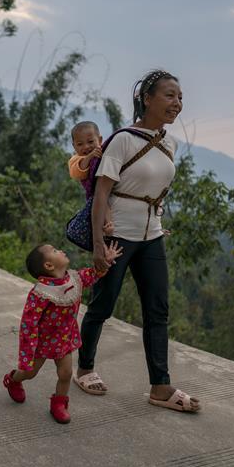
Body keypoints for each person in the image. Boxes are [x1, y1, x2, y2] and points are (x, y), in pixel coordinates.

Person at [73, 70, 201, 413]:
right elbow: (101, 194)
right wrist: (99, 244)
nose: (177, 103)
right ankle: (84, 368)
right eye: (170, 96)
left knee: (158, 311)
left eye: (180, 97)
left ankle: (160, 386)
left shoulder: (169, 143)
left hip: (152, 236)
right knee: (103, 305)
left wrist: (157, 220)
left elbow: (154, 189)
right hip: (118, 237)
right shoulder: (123, 140)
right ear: (147, 98)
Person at [3, 241, 123, 423]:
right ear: (49, 265)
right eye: (54, 251)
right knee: (29, 373)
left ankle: (58, 403)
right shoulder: (41, 293)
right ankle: (13, 379)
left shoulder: (74, 279)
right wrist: (27, 355)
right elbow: (29, 324)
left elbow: (92, 275)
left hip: (64, 339)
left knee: (66, 373)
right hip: (42, 343)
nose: (60, 250)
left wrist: (105, 261)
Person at [68, 121, 113, 234]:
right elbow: (78, 171)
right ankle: (108, 224)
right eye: (80, 144)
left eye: (90, 141)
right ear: (74, 146)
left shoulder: (104, 151)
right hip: (94, 192)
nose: (86, 147)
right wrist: (90, 156)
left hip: (110, 185)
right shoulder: (76, 159)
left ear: (100, 140)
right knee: (103, 203)